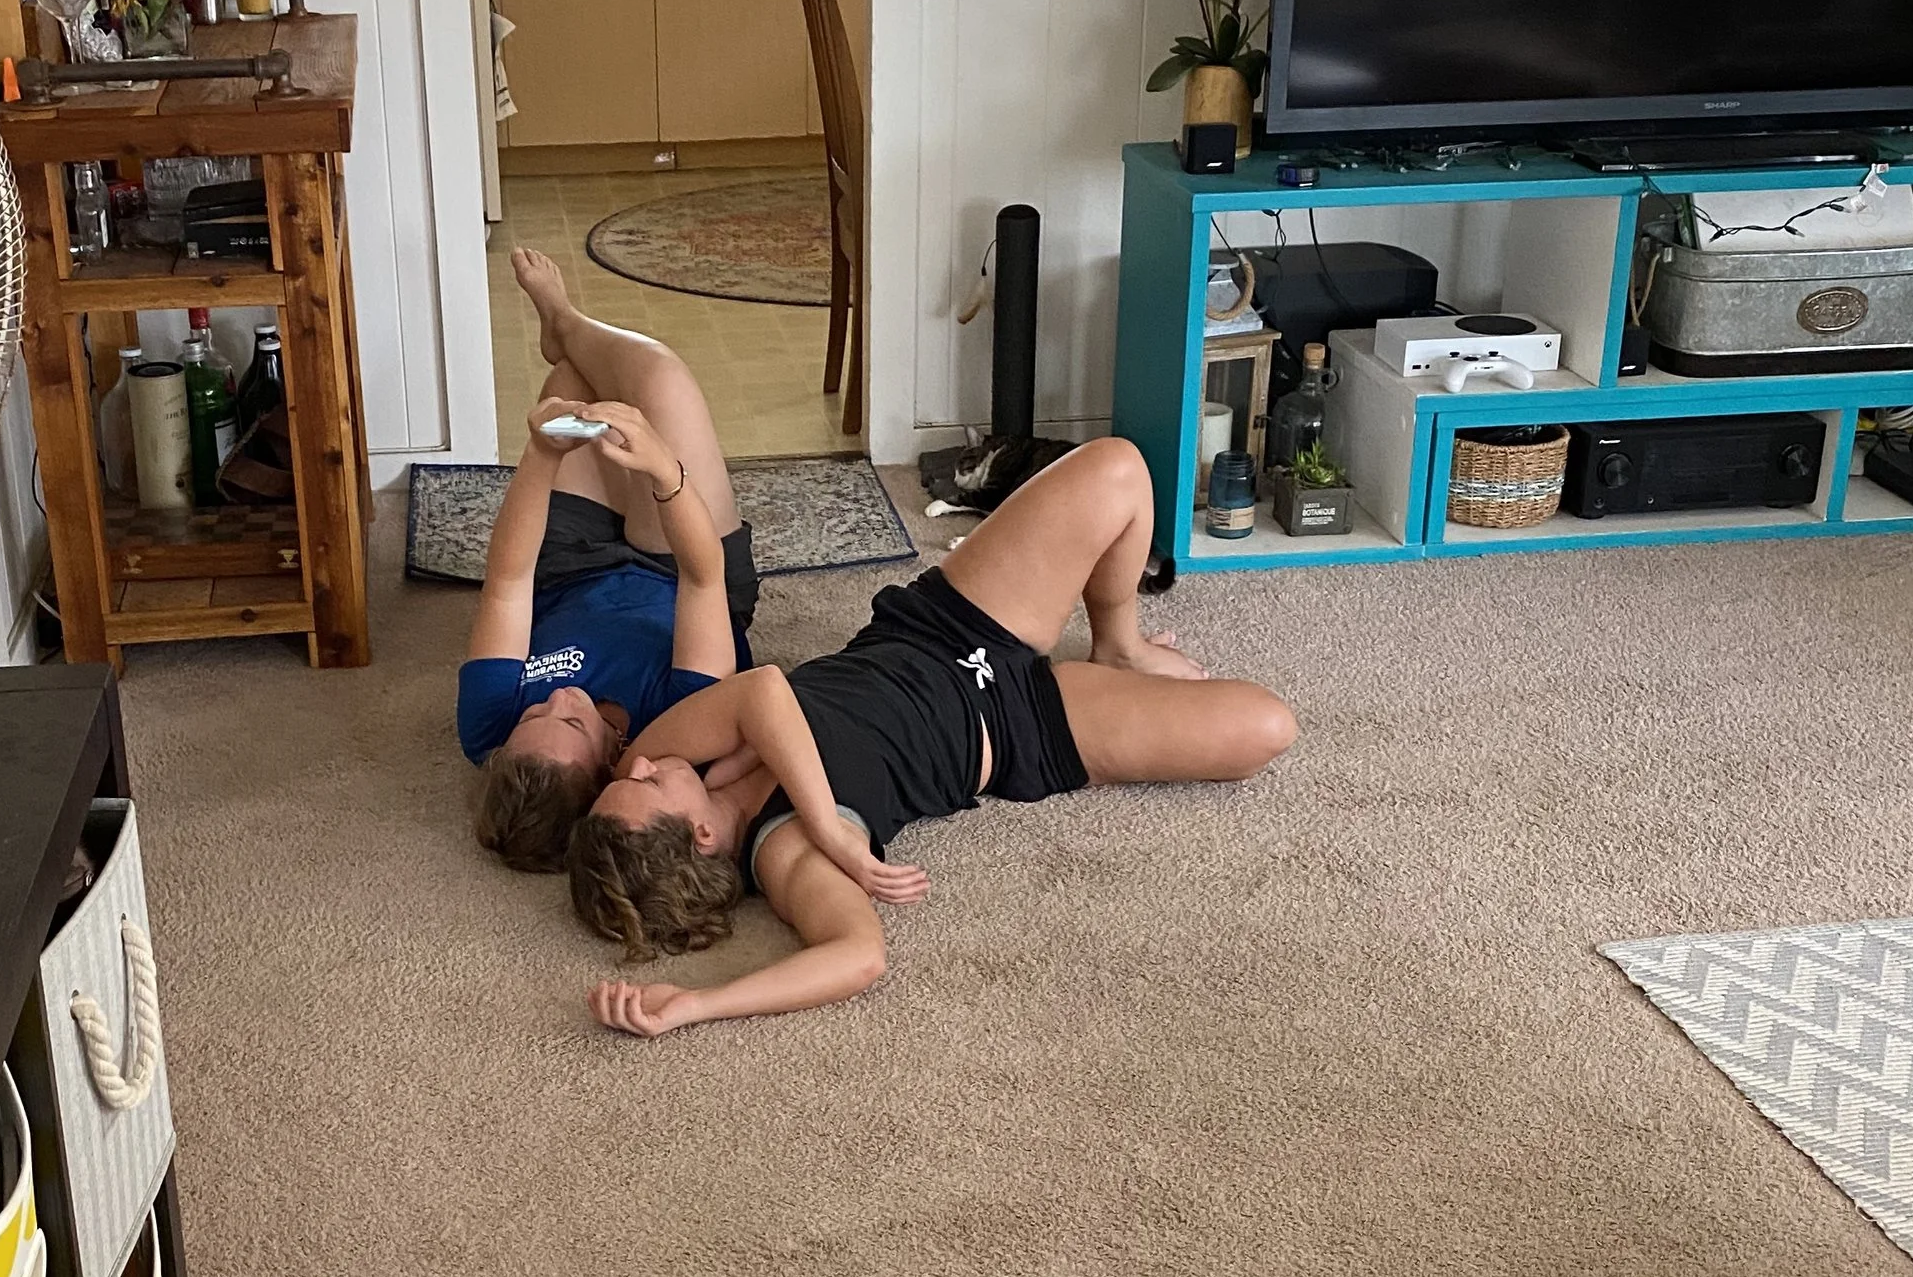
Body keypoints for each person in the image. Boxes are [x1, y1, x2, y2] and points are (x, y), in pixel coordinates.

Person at [565, 434, 1295, 1034]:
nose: (638, 766)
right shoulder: (784, 852)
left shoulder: (679, 756)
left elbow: (763, 690)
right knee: (1267, 726)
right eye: (644, 787)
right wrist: (698, 1004)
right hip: (1019, 725)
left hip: (943, 624)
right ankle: (1104, 673)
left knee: (1121, 467)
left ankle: (1121, 645)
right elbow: (858, 956)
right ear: (700, 835)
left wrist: (829, 819)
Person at [462, 249, 760, 870]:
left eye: (534, 712)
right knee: (658, 383)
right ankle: (564, 319)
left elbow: (507, 583)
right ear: (614, 765)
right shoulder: (676, 736)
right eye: (571, 723)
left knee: (571, 389)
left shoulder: (488, 728)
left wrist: (541, 456)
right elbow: (703, 579)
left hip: (571, 567)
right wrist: (663, 472)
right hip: (683, 569)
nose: (560, 698)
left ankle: (563, 332)